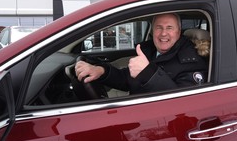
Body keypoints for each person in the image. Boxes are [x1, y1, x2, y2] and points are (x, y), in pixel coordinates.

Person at [75, 13, 208, 94]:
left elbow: (183, 104)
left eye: (169, 28)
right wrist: (101, 71)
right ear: (152, 31)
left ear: (178, 32)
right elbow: (126, 79)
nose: (163, 33)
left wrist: (148, 72)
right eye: (159, 27)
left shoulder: (193, 62)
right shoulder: (150, 51)